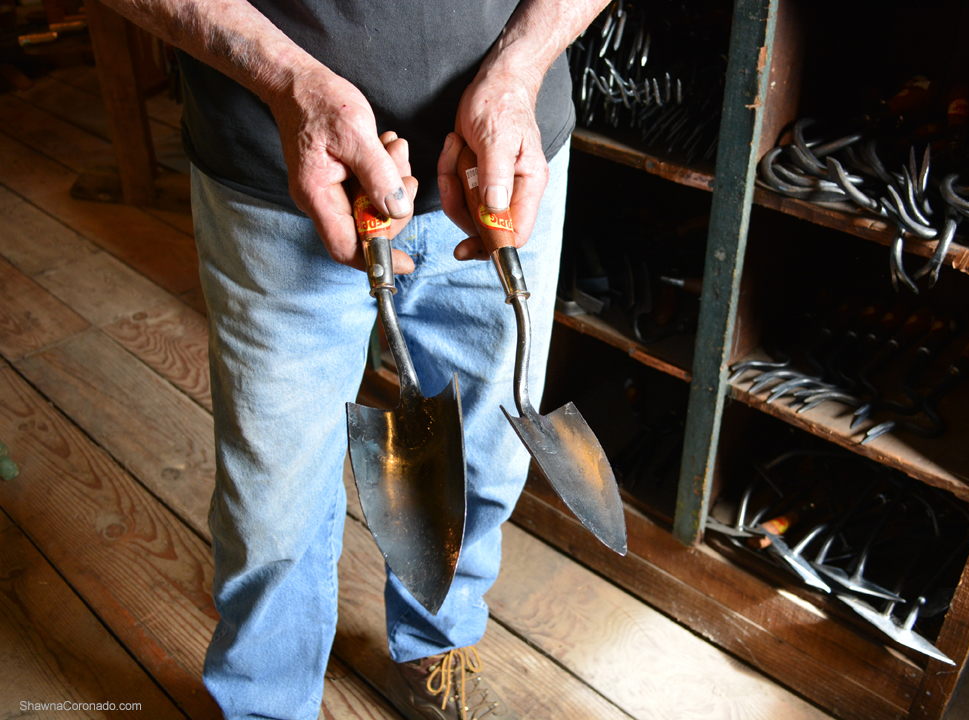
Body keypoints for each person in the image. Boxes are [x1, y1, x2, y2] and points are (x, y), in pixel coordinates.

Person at [95, 1, 608, 718]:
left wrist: (518, 68)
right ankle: (267, 704)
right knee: (275, 500)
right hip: (274, 177)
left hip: (507, 159)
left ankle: (437, 641)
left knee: (483, 457)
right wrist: (289, 84)